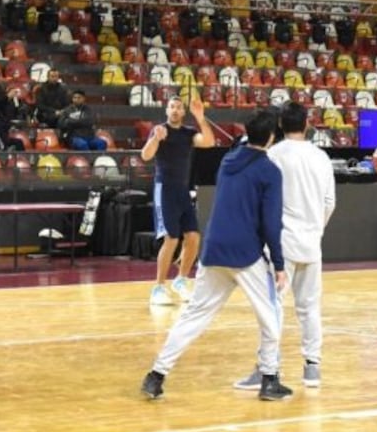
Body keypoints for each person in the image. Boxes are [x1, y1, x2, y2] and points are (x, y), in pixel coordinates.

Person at [141, 109, 292, 401]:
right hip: (245, 254)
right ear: (273, 137)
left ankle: (156, 375)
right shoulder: (270, 171)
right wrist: (280, 264)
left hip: (213, 251)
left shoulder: (227, 161)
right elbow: (271, 223)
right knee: (270, 315)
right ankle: (270, 378)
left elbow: (241, 147)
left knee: (194, 316)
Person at [233, 102, 335, 390]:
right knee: (310, 307)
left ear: (279, 126)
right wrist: (316, 230)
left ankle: (267, 368)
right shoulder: (321, 157)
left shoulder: (272, 155)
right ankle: (312, 368)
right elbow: (330, 203)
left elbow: (260, 199)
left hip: (281, 245)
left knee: (272, 307)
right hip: (311, 244)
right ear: (306, 124)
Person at [141, 94, 215, 306]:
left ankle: (181, 280)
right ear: (167, 110)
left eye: (178, 107)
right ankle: (158, 287)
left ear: (183, 112)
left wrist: (200, 117)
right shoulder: (159, 130)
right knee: (171, 238)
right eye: (171, 107)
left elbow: (209, 143)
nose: (174, 110)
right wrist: (156, 138)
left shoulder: (189, 133)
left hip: (183, 190)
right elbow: (146, 156)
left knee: (193, 237)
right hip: (164, 188)